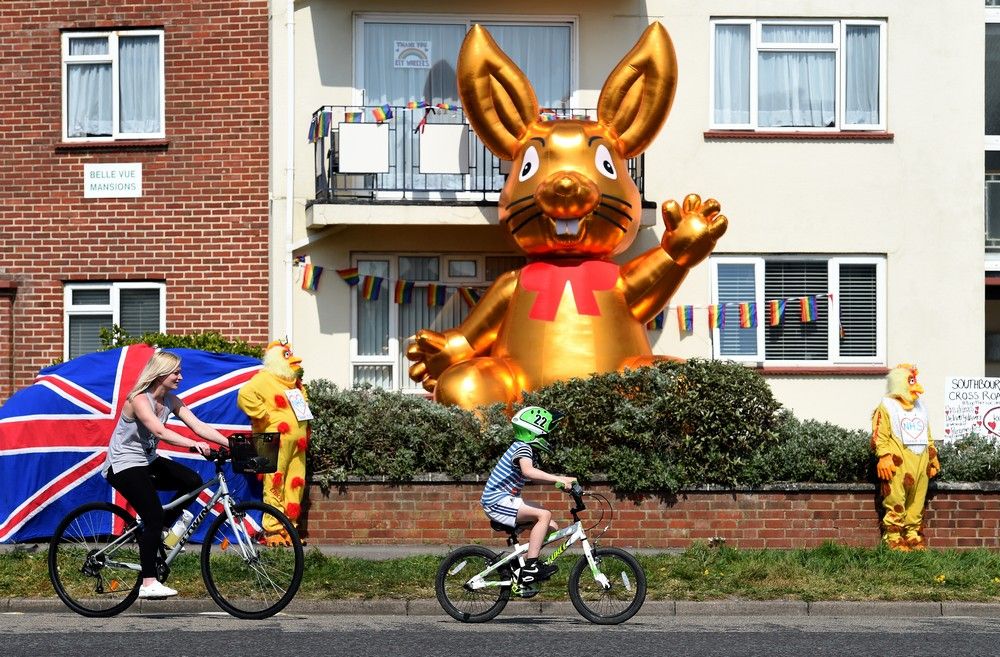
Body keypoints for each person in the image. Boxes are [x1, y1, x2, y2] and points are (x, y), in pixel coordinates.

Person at [101, 350, 230, 598]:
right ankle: (148, 583)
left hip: (147, 461)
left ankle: (162, 529)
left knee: (192, 481)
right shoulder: (138, 400)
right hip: (123, 465)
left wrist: (230, 444)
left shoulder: (171, 400)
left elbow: (198, 425)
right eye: (176, 372)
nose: (180, 377)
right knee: (151, 516)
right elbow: (159, 432)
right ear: (160, 374)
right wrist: (193, 445)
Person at [480, 406, 576, 586]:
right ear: (534, 432)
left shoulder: (523, 447)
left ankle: (518, 563)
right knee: (544, 514)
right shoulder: (522, 448)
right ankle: (531, 567)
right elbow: (529, 472)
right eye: (546, 434)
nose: (548, 438)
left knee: (551, 526)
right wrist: (558, 480)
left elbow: (536, 476)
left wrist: (565, 480)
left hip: (505, 500)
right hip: (496, 500)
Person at [871, 363, 941, 551]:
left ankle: (912, 535)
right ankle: (893, 537)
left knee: (917, 501)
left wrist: (932, 456)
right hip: (898, 464)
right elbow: (880, 435)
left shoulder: (920, 407)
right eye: (911, 381)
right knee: (895, 499)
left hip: (920, 462)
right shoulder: (886, 406)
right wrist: (884, 456)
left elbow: (927, 434)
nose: (916, 386)